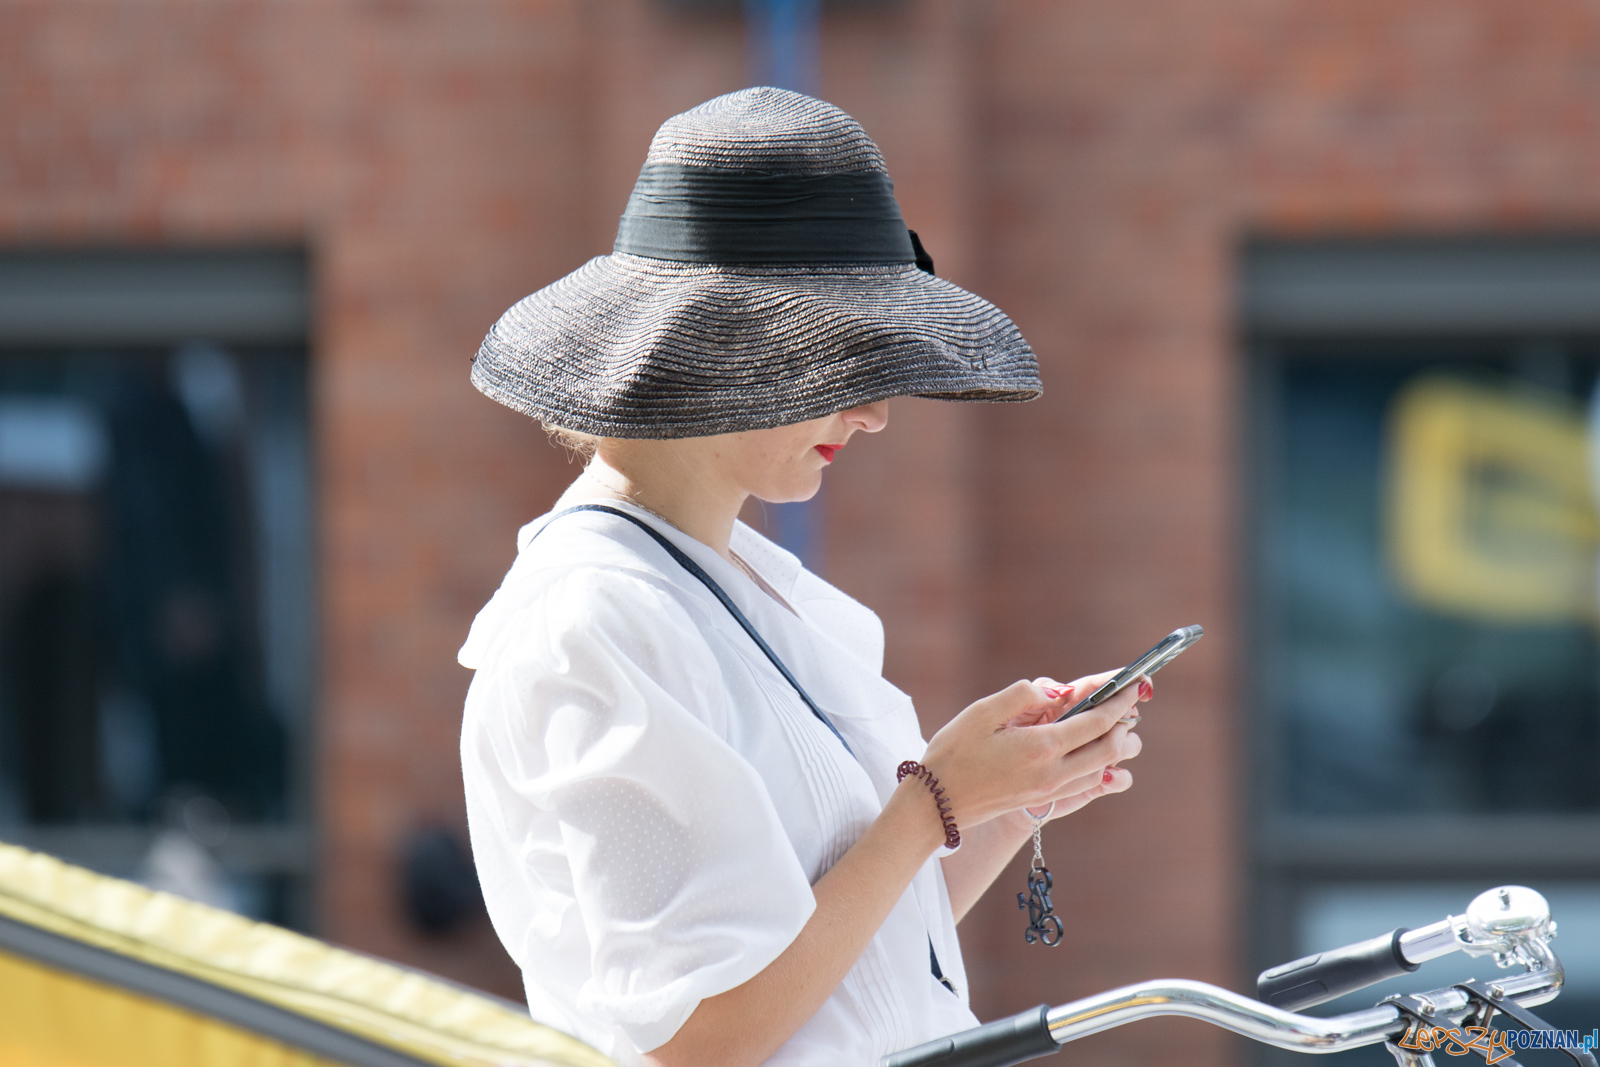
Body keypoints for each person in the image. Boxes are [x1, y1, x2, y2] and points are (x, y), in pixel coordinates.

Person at [458, 87, 1146, 1067]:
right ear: (722, 355)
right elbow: (702, 1032)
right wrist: (936, 802)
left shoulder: (739, 585)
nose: (872, 412)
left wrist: (1005, 797)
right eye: (836, 359)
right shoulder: (592, 615)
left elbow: (846, 962)